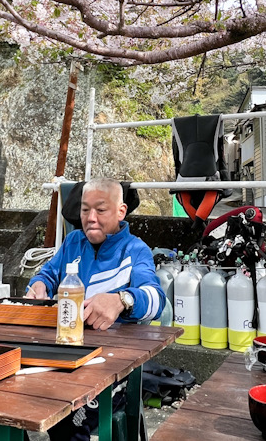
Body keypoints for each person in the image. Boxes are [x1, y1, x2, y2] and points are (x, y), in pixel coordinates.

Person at [26, 177, 165, 441]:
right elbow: (48, 274)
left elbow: (157, 300)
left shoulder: (135, 250)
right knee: (9, 398)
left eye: (100, 210)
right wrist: (39, 286)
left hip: (111, 367)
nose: (91, 218)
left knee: (72, 419)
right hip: (67, 355)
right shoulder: (73, 242)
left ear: (121, 211)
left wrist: (122, 299)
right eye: (85, 209)